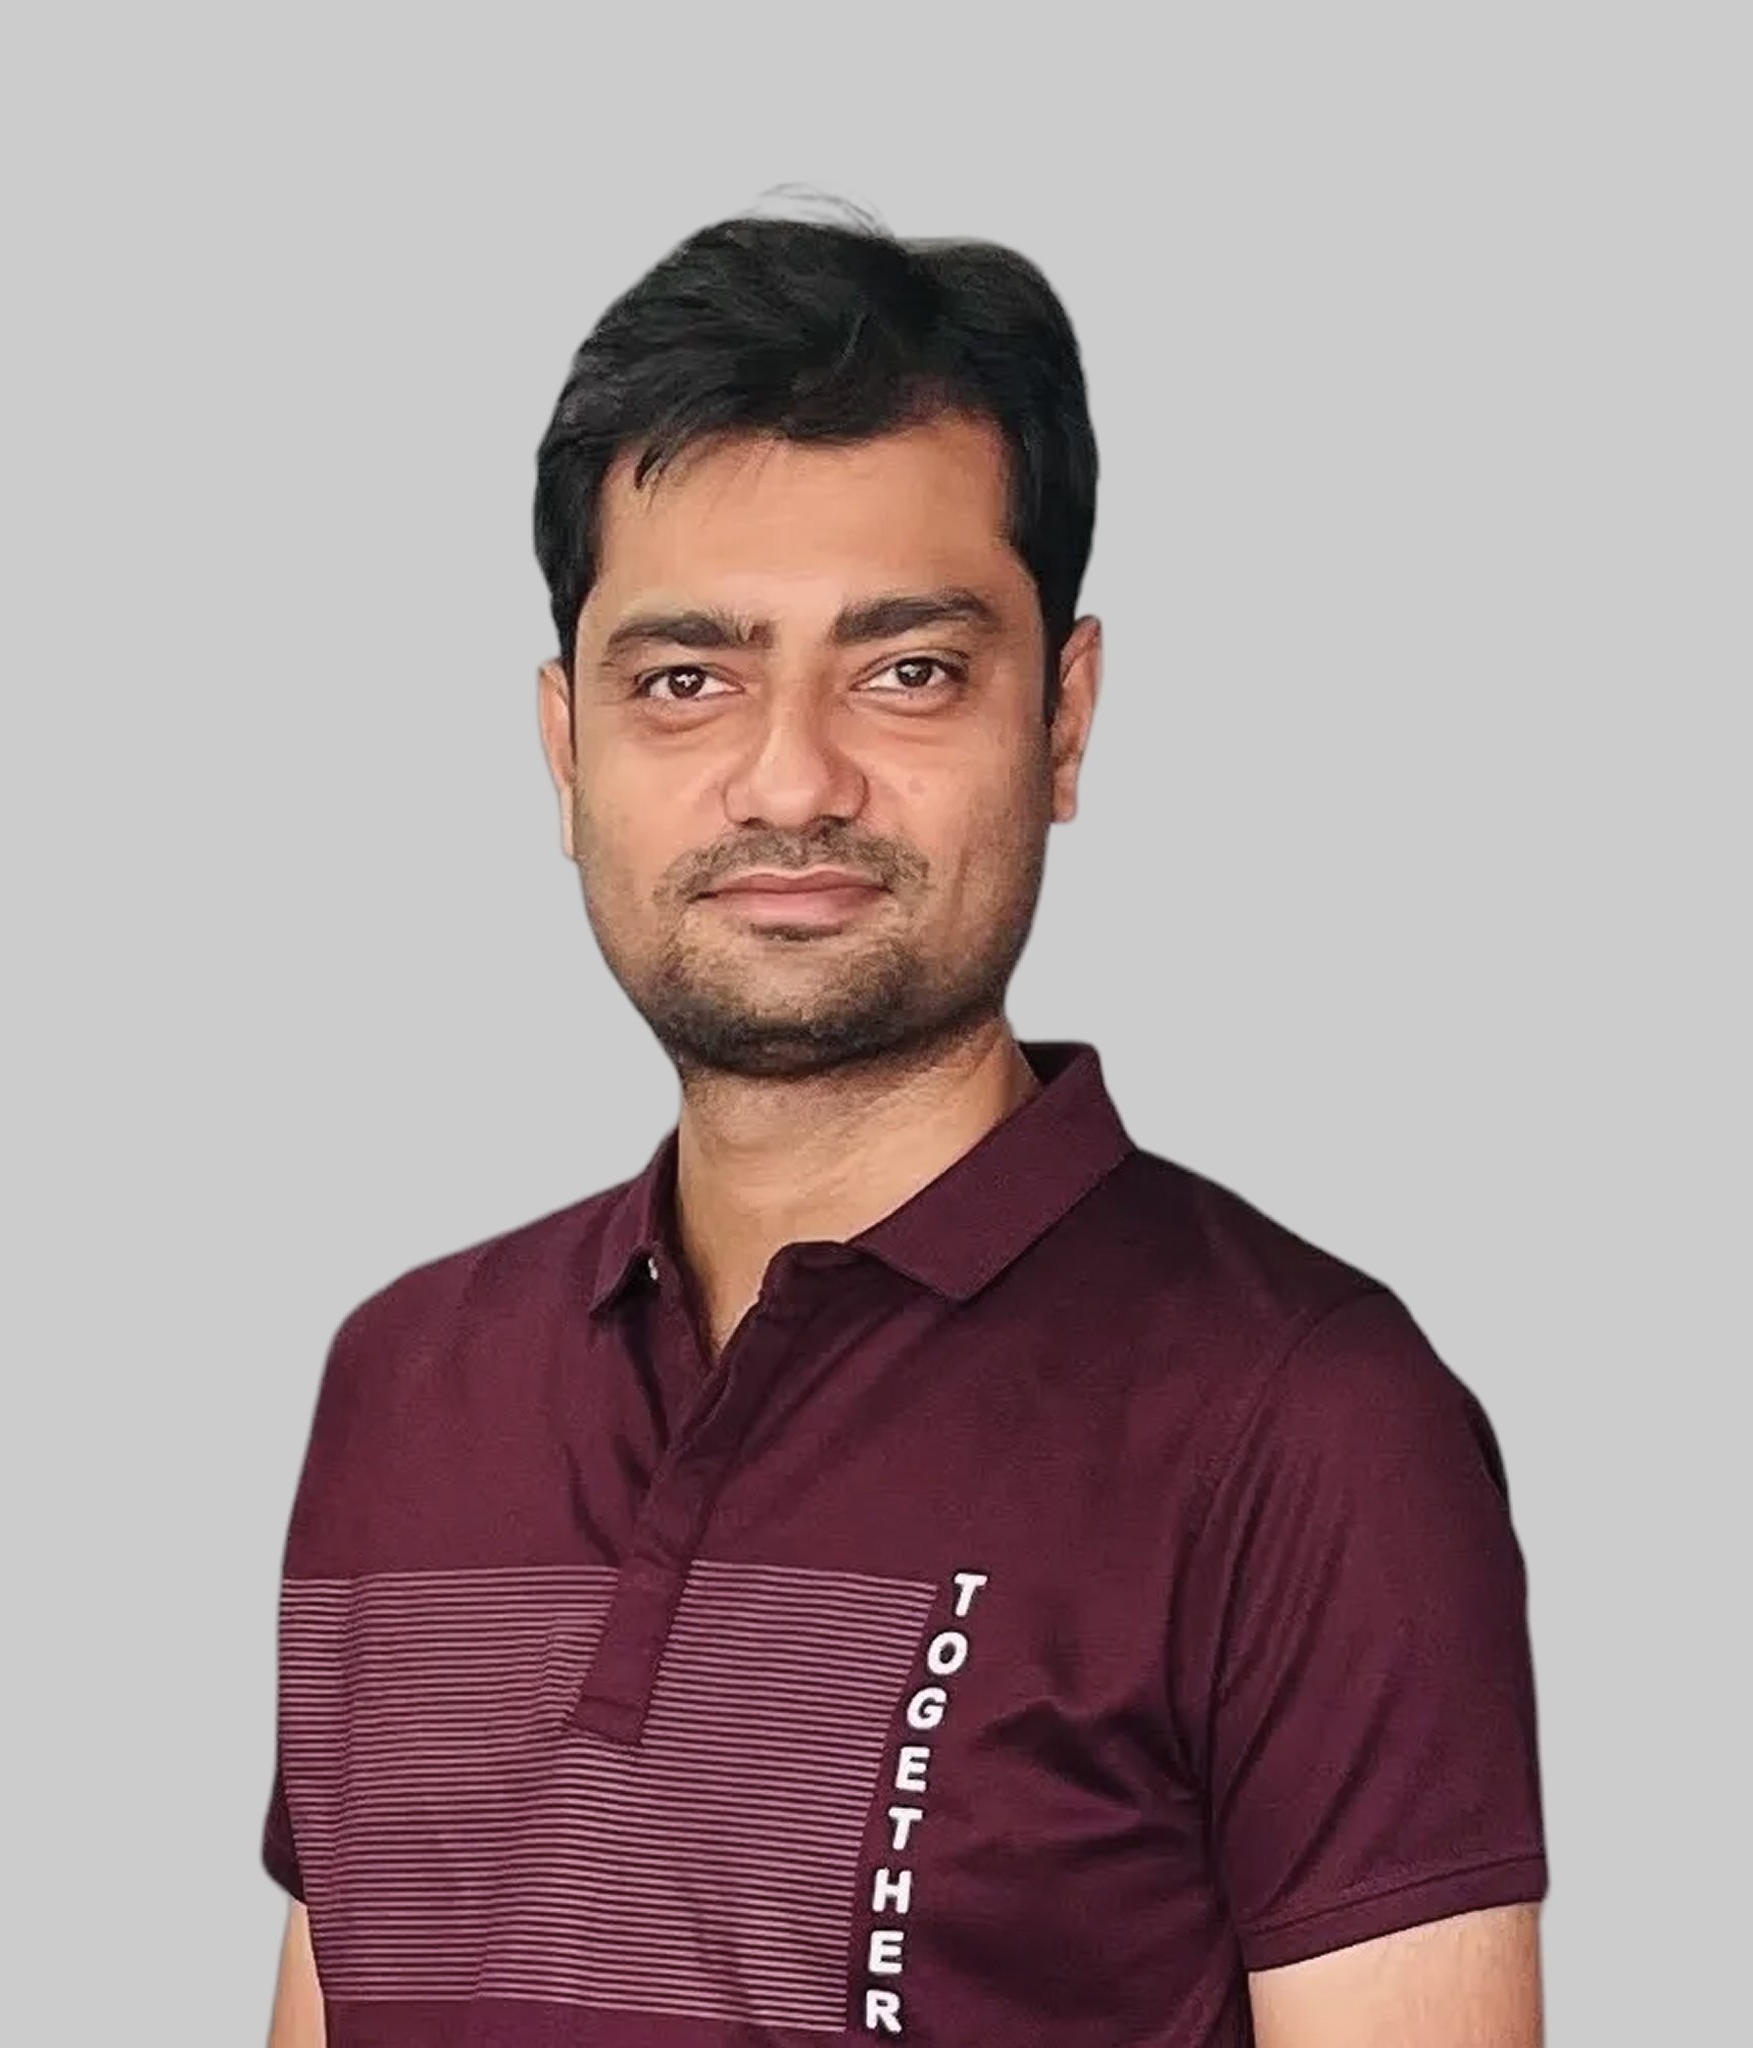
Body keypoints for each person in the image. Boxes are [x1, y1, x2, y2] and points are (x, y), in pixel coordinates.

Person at [262, 204, 1547, 2048]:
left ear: (1064, 722)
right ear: (566, 750)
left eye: (908, 670)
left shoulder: (1305, 1424)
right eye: (685, 678)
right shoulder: (403, 1382)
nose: (790, 776)